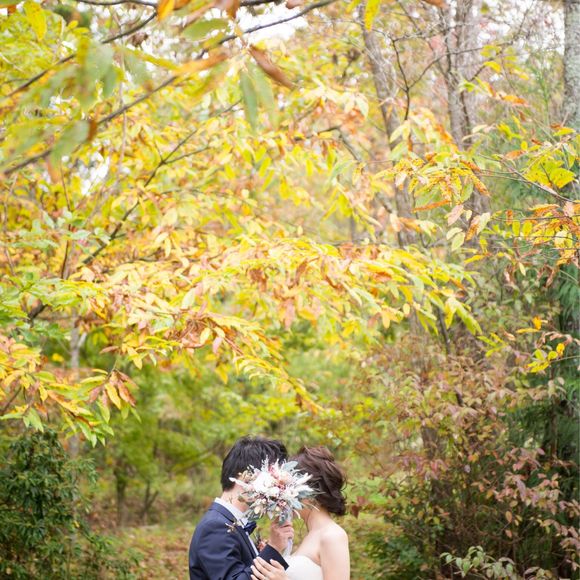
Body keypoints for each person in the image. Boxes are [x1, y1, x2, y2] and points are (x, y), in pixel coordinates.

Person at [189, 436, 295, 580]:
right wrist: (274, 547)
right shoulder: (214, 526)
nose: (277, 487)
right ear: (245, 477)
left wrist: (265, 553)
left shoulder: (230, 521)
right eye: (273, 480)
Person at [250, 446, 350, 580]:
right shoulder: (312, 534)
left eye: (289, 487)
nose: (284, 495)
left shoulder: (332, 535)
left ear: (309, 490)